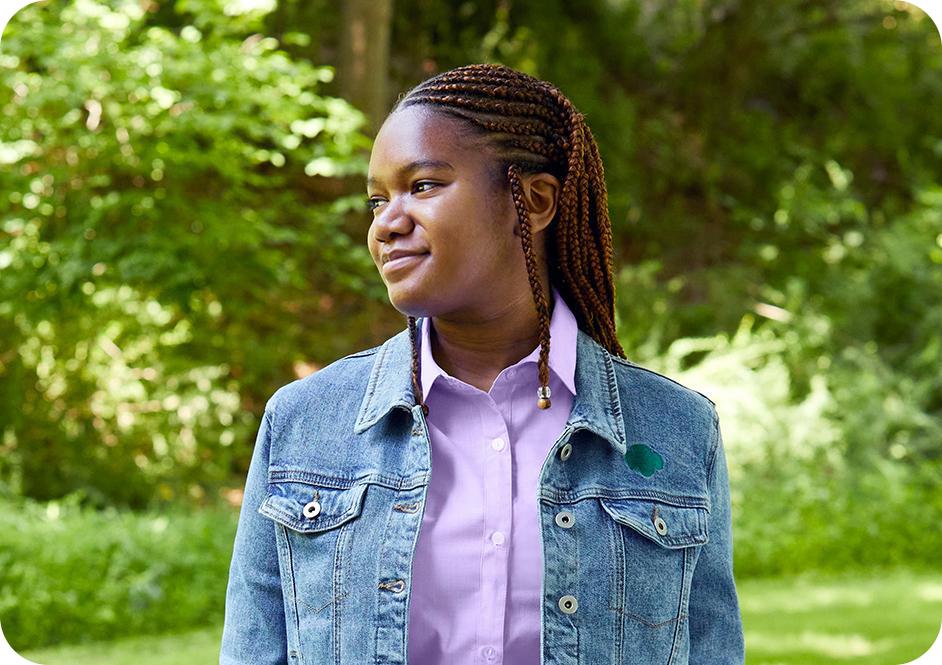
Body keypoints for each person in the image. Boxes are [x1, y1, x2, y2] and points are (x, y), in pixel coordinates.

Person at [220, 63, 744, 665]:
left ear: (535, 200)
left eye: (422, 186)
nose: (387, 223)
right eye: (376, 199)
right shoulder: (304, 423)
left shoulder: (674, 428)